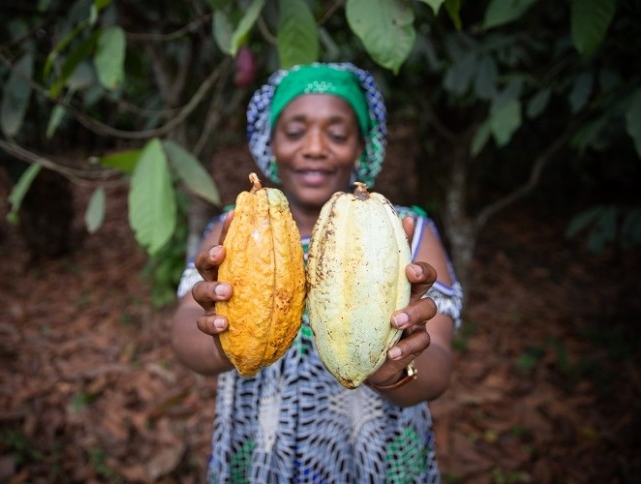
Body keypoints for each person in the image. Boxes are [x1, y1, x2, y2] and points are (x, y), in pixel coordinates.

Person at [171, 62, 463, 482]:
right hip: (262, 447)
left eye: (338, 134)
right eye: (294, 132)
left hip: (371, 454)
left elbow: (439, 363)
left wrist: (394, 368)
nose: (315, 147)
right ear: (269, 143)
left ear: (362, 147)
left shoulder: (403, 232)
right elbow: (183, 328)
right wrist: (223, 341)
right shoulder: (236, 227)